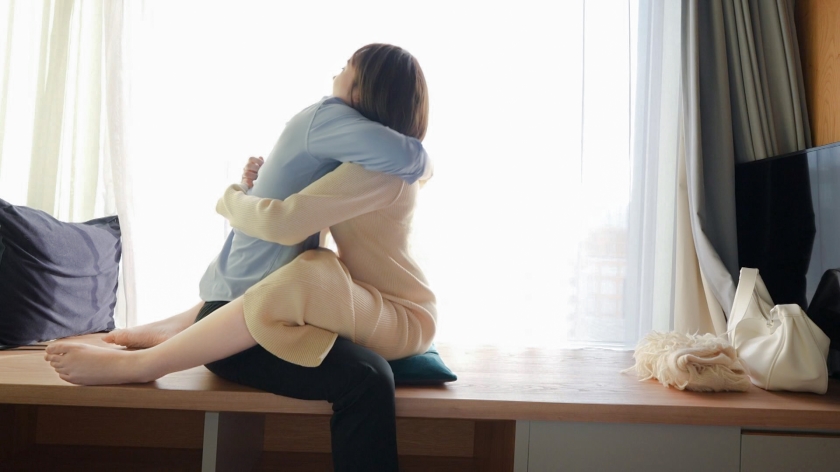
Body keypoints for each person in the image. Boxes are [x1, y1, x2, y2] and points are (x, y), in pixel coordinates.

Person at [44, 43, 432, 472]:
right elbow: (307, 211)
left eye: (346, 68)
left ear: (360, 91)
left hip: (400, 315)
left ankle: (144, 364)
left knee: (312, 271)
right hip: (368, 301)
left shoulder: (378, 171)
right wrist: (262, 182)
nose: (335, 74)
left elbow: (285, 224)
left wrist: (233, 199)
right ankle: (192, 320)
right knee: (307, 265)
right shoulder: (366, 162)